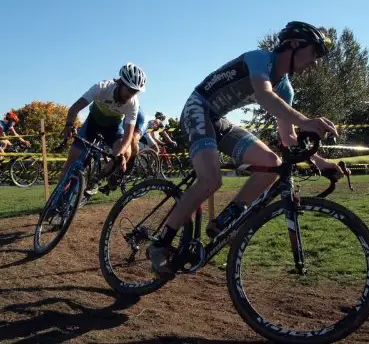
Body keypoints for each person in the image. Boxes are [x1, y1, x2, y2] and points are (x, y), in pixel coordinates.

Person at [147, 21, 346, 275]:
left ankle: (226, 220)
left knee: (272, 164)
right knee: (210, 180)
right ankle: (160, 243)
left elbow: (288, 139)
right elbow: (264, 96)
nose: (315, 62)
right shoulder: (259, 59)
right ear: (295, 45)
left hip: (219, 120)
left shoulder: (285, 89)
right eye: (315, 53)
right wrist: (306, 120)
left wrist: (322, 163)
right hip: (198, 108)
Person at [61, 62, 147, 189]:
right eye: (129, 89)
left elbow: (128, 136)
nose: (131, 94)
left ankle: (97, 179)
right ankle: (58, 196)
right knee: (72, 160)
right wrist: (69, 125)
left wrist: (121, 153)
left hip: (113, 128)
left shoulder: (133, 103)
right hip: (92, 123)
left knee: (126, 152)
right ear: (120, 82)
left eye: (135, 92)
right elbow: (74, 108)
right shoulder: (102, 87)